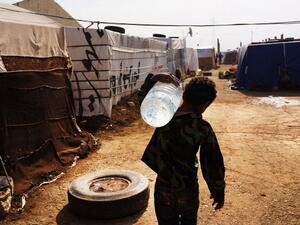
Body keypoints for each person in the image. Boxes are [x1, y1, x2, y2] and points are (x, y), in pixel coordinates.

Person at [138, 73, 225, 225]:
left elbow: (144, 100)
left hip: (164, 186)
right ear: (205, 105)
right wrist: (218, 191)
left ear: (184, 95)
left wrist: (152, 80)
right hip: (188, 189)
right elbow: (212, 163)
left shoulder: (164, 115)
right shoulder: (202, 128)